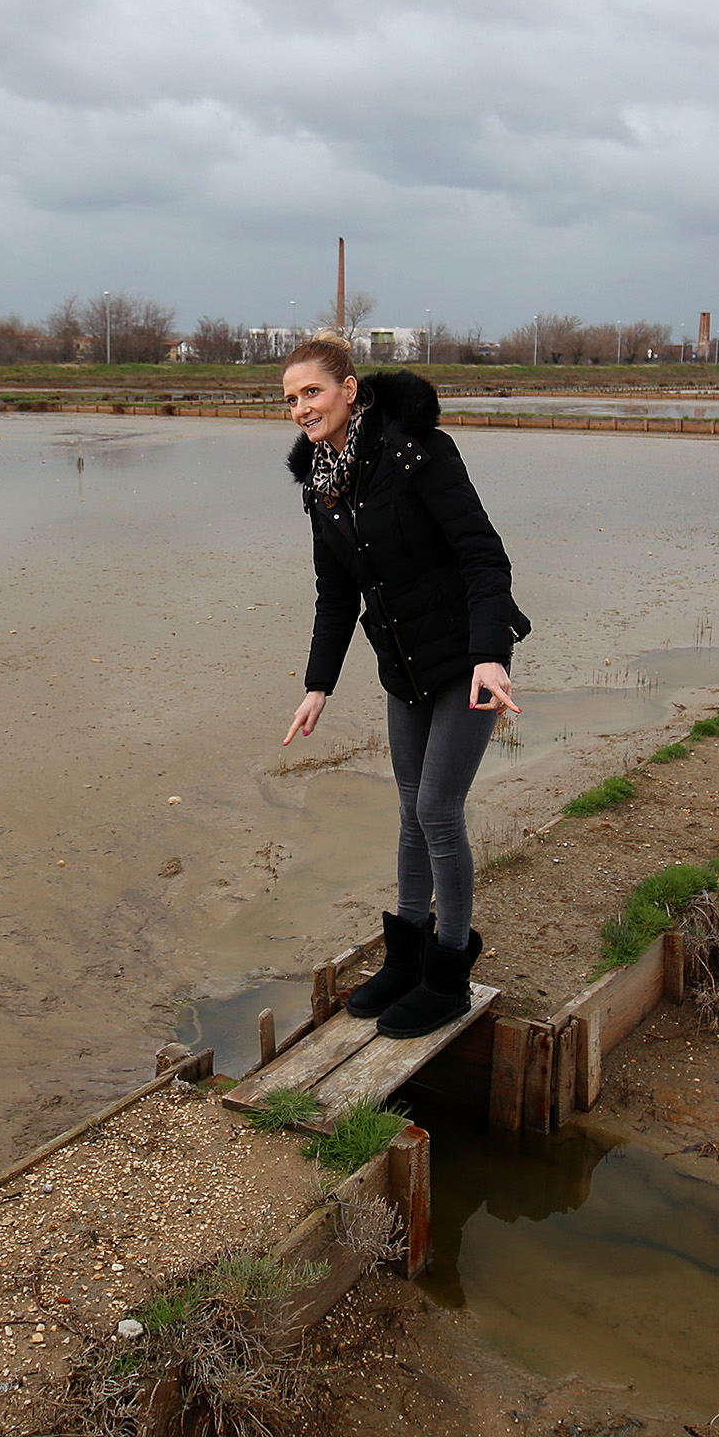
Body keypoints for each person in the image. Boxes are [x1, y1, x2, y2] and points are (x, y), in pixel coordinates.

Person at [279, 336, 528, 1037]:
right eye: (291, 398)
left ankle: (447, 975)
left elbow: (482, 553)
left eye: (313, 392)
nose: (301, 408)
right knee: (411, 809)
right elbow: (335, 597)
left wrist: (489, 653)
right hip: (405, 669)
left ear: (350, 389)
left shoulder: (418, 450)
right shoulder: (323, 486)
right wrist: (317, 685)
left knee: (440, 812)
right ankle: (406, 953)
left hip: (468, 661)